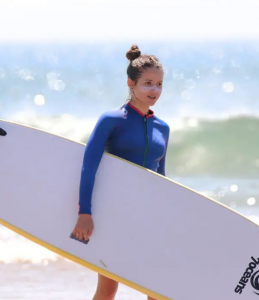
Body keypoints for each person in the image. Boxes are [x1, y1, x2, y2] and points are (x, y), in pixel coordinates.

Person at [72, 44, 170, 300]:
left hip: (148, 214)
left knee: (155, 287)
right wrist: (84, 212)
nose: (154, 90)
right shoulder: (112, 120)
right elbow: (89, 167)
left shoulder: (163, 128)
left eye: (159, 84)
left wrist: (167, 217)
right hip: (114, 213)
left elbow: (161, 179)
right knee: (109, 287)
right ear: (131, 83)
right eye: (148, 83)